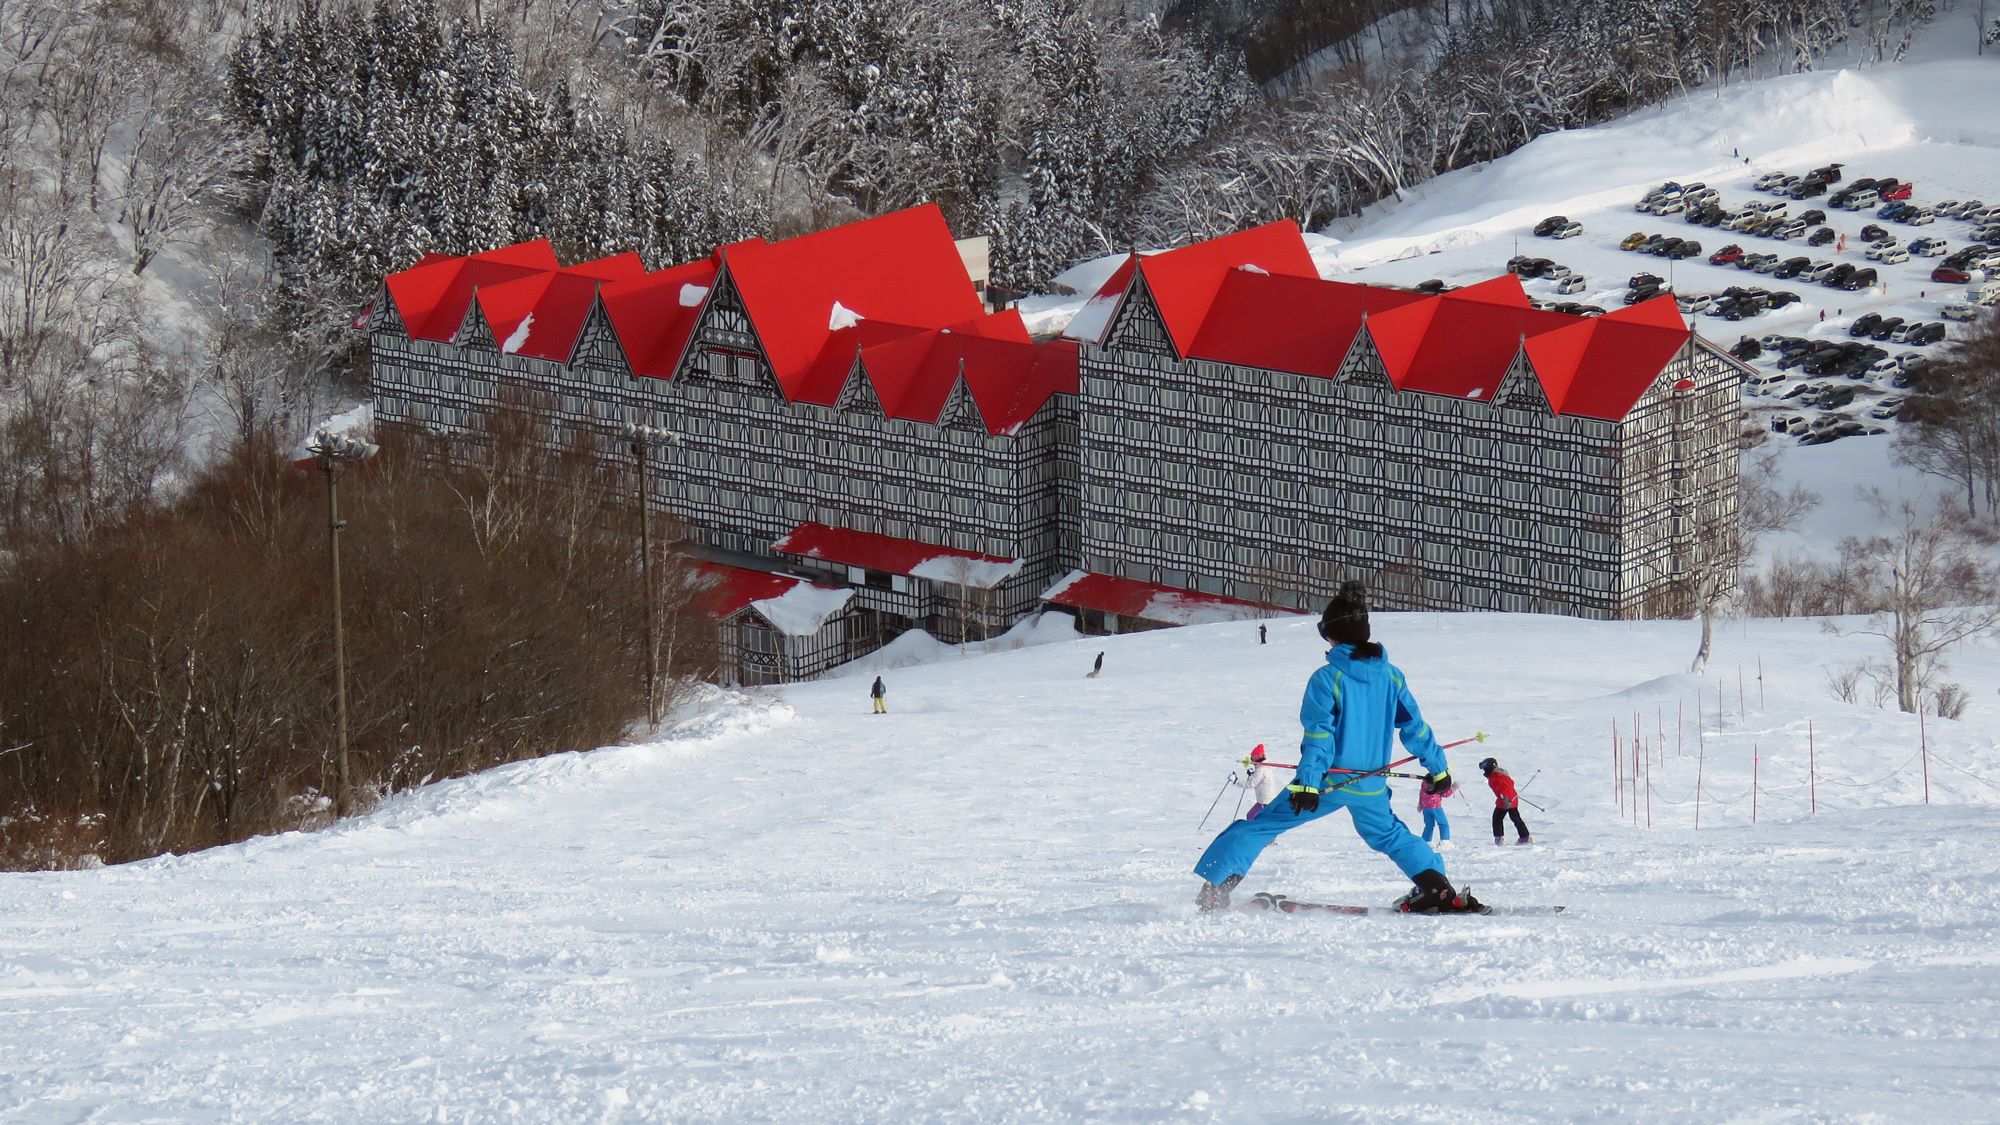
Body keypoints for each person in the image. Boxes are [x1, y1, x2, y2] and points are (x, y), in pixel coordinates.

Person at [1192, 582, 1481, 914]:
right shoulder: (1392, 677)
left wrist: (1308, 783)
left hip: (1329, 781)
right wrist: (1439, 769)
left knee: (1261, 826)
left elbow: (1319, 737)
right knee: (1389, 835)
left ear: (1332, 635)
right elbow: (1416, 728)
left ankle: (1215, 889)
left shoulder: (1327, 679)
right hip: (1370, 785)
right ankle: (1437, 888)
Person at [1480, 757, 1531, 844]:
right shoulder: (1502, 774)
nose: (1484, 773)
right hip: (1513, 799)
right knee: (1515, 818)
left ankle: (1498, 839)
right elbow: (1511, 784)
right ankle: (1524, 837)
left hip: (1505, 801)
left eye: (1485, 769)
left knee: (1497, 818)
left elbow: (1501, 788)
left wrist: (1504, 798)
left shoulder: (1495, 776)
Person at [1233, 744, 1285, 820]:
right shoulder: (1265, 767)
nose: (1251, 760)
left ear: (1257, 757)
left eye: (1252, 758)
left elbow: (1250, 784)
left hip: (1266, 802)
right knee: (1251, 815)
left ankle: (1254, 830)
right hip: (1266, 800)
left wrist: (1236, 781)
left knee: (1251, 816)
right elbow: (1259, 779)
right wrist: (1252, 775)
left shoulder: (1261, 770)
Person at [1416, 773, 1456, 848]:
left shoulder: (1425, 782)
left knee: (1429, 824)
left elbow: (1421, 793)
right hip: (1435, 806)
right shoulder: (1438, 782)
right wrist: (1453, 788)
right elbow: (1445, 794)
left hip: (1426, 807)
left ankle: (1426, 840)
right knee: (1443, 823)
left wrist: (1420, 804)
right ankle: (1445, 841)